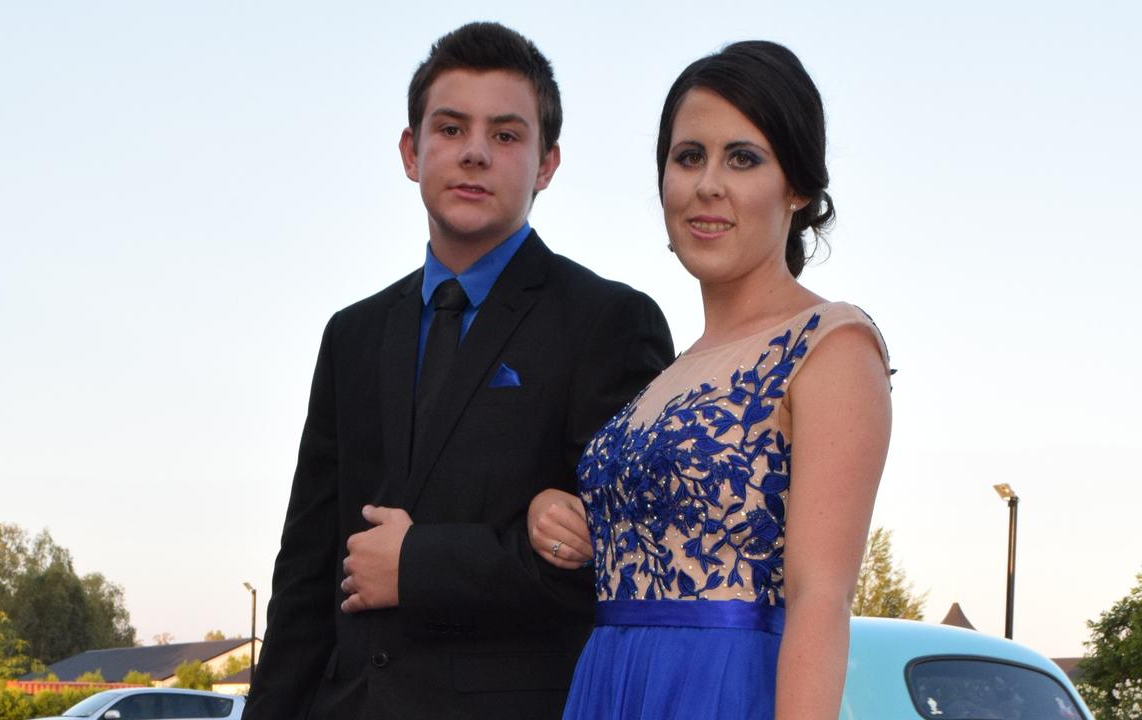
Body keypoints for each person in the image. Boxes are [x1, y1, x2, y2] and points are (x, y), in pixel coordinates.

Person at [244, 22, 674, 720]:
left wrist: (419, 565)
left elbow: (619, 564)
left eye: (506, 135)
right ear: (412, 152)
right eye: (450, 128)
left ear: (547, 164)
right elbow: (305, 575)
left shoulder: (609, 322)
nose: (475, 152)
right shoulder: (351, 335)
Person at [528, 41, 893, 719]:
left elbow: (821, 598)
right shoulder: (667, 373)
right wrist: (549, 512)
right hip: (609, 687)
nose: (707, 184)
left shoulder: (830, 344)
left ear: (798, 186)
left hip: (723, 693)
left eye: (743, 158)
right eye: (688, 156)